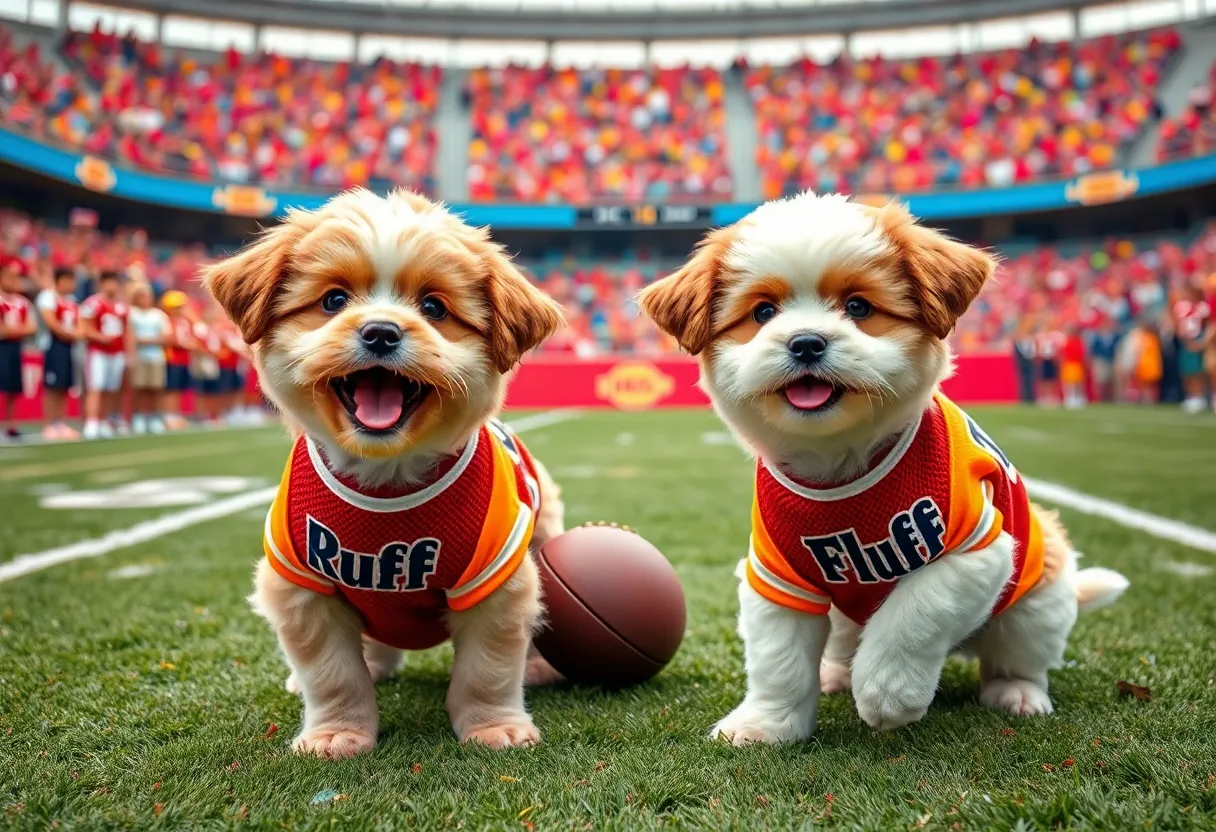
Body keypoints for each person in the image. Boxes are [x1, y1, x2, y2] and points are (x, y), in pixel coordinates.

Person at [79, 270, 129, 439]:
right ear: (101, 283)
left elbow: (126, 331)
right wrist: (101, 337)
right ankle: (91, 422)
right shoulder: (92, 303)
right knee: (96, 387)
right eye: (109, 282)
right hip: (98, 351)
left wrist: (128, 351)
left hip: (117, 352)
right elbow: (85, 329)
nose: (112, 286)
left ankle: (104, 420)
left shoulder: (121, 306)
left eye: (115, 282)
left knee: (110, 389)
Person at [35, 266, 79, 440]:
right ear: (58, 280)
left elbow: (79, 323)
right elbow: (50, 322)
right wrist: (69, 334)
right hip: (53, 345)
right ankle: (48, 424)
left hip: (69, 346)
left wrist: (75, 334)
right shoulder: (47, 297)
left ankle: (60, 422)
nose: (71, 285)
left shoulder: (72, 300)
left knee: (64, 386)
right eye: (68, 280)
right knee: (52, 386)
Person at [127, 281, 170, 434]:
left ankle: (154, 417)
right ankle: (138, 417)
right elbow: (130, 337)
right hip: (139, 357)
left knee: (155, 388)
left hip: (156, 357)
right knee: (139, 388)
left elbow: (165, 338)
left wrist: (144, 340)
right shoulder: (131, 313)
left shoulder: (158, 315)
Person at [0, 261, 36, 440]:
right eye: (9, 277)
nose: (14, 281)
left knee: (13, 388)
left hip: (15, 347)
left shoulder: (22, 302)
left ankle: (11, 425)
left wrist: (11, 331)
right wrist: (19, 330)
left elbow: (32, 328)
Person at [1173, 284, 1211, 413]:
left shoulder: (1202, 307)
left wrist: (1200, 341)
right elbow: (1178, 324)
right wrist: (1184, 338)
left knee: (1197, 371)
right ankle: (1191, 396)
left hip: (1198, 338)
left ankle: (1199, 396)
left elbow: (1206, 323)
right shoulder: (1181, 306)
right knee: (1187, 371)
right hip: (1185, 340)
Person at [161, 290, 194, 430]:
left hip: (184, 359)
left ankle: (177, 415)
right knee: (171, 390)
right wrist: (186, 344)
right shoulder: (167, 320)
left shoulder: (183, 322)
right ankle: (169, 415)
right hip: (172, 359)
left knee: (180, 389)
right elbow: (172, 339)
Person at [1087, 317, 1120, 403]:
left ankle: (1111, 399)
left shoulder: (1115, 336)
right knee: (1101, 381)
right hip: (1101, 360)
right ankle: (1101, 399)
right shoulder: (1097, 337)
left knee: (1111, 381)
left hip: (1111, 359)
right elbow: (1093, 350)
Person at [1060, 325, 1087, 409]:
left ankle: (1078, 397)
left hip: (1077, 364)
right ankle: (1070, 397)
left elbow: (1082, 354)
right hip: (1069, 364)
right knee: (1070, 382)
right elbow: (1063, 354)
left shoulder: (1078, 341)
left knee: (1078, 382)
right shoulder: (1066, 341)